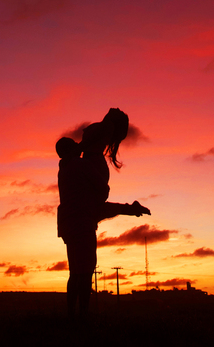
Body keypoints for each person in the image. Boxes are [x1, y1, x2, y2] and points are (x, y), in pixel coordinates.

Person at [56, 108, 150, 321]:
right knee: (85, 272)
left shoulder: (68, 167)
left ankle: (75, 315)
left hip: (73, 222)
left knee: (77, 272)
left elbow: (99, 204)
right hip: (81, 221)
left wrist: (128, 209)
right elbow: (101, 192)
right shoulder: (80, 164)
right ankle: (81, 315)